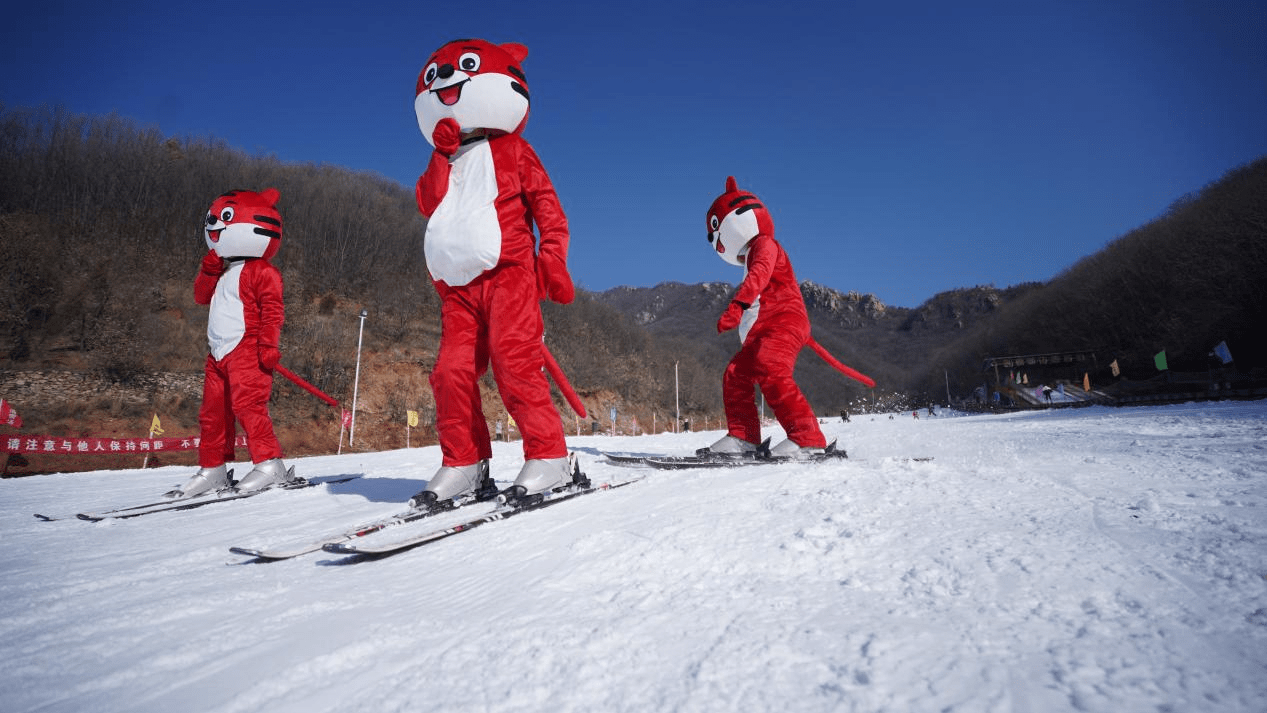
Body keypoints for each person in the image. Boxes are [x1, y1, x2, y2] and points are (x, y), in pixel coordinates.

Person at [410, 38, 577, 509]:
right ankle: (464, 463)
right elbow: (428, 202)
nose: (446, 80)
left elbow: (549, 209)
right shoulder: (447, 155)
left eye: (462, 71)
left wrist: (554, 260)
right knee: (449, 372)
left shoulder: (515, 150)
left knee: (513, 360)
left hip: (509, 274)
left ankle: (549, 457)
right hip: (456, 286)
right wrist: (439, 157)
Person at [699, 177, 836, 458]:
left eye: (716, 228)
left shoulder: (765, 245)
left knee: (771, 367)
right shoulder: (751, 252)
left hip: (784, 323)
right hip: (764, 334)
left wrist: (736, 307)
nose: (714, 240)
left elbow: (759, 275)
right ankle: (744, 437)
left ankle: (808, 438)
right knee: (736, 374)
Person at [170, 189, 293, 497]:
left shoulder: (262, 271)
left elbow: (273, 310)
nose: (214, 225)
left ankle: (270, 463)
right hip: (217, 352)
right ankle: (213, 468)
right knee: (212, 413)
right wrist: (208, 271)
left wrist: (268, 344)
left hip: (247, 350)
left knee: (248, 406)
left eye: (225, 218)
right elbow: (201, 297)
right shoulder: (223, 272)